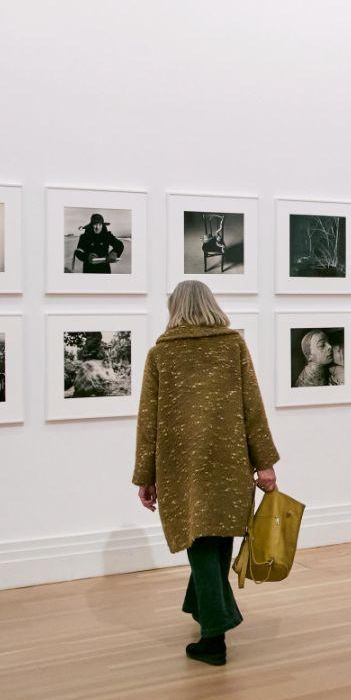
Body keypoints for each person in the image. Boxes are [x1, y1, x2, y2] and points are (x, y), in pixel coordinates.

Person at [132, 280, 279, 666]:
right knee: (215, 536)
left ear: (174, 309)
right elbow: (253, 407)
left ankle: (214, 637)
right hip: (230, 461)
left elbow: (148, 423)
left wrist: (145, 476)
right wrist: (264, 463)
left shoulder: (161, 354)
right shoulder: (232, 346)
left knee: (199, 539)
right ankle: (201, 608)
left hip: (181, 466)